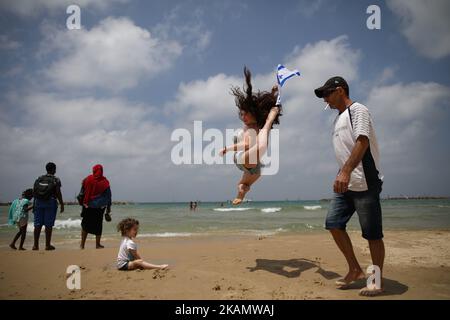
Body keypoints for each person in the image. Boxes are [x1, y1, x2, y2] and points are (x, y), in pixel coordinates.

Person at [314, 76, 385, 296]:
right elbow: (344, 151)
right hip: (346, 183)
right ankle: (354, 269)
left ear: (341, 90)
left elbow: (362, 141)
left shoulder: (358, 110)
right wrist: (341, 173)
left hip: (365, 182)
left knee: (372, 234)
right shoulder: (338, 119)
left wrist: (345, 171)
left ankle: (375, 281)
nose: (325, 98)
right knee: (333, 223)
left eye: (327, 93)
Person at [219, 67, 280, 205]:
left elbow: (263, 106)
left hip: (254, 163)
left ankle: (241, 192)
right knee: (261, 143)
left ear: (255, 112)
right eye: (242, 114)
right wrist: (227, 149)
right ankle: (242, 187)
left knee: (250, 179)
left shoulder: (257, 122)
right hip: (244, 157)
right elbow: (246, 145)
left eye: (246, 114)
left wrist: (273, 93)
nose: (243, 117)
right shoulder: (250, 128)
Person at [32, 162, 64, 251]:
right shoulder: (56, 179)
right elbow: (58, 192)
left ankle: (35, 245)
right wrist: (61, 204)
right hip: (50, 202)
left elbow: (34, 192)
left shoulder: (39, 178)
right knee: (48, 225)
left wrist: (34, 204)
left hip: (38, 202)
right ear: (54, 169)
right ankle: (47, 245)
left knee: (37, 225)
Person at [80, 164, 112, 249]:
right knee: (98, 225)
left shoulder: (87, 179)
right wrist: (108, 208)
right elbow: (108, 196)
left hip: (87, 205)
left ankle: (82, 245)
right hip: (99, 207)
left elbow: (82, 192)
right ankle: (97, 244)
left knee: (85, 225)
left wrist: (83, 203)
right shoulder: (105, 182)